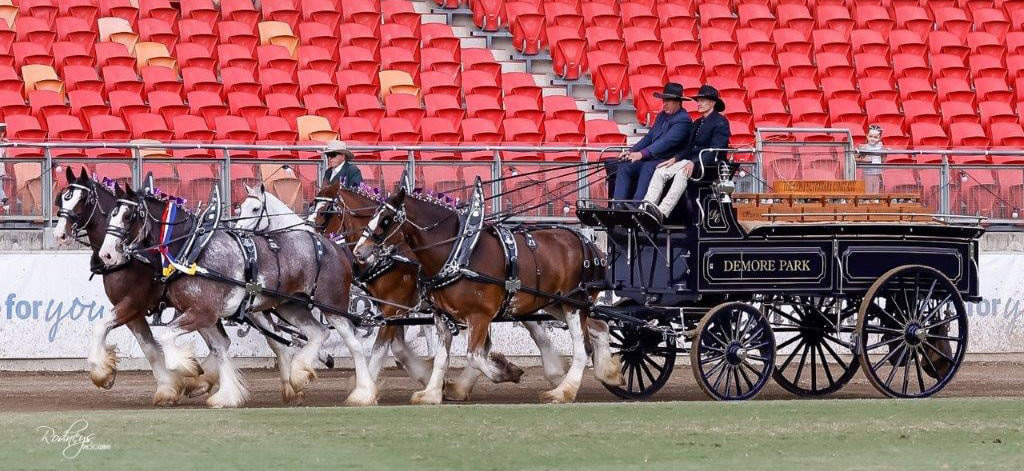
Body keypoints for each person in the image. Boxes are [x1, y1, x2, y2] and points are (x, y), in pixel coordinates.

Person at [642, 85, 731, 221]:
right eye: (698, 101)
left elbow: (715, 150)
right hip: (691, 161)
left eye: (702, 101)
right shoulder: (698, 122)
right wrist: (675, 158)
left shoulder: (721, 122)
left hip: (708, 164)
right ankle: (647, 207)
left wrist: (694, 162)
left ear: (712, 103)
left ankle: (662, 212)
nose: (699, 104)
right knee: (660, 170)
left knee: (681, 175)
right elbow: (689, 147)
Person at [612, 82, 692, 202]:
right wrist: (631, 151)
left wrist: (641, 154)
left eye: (668, 101)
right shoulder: (661, 116)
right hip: (653, 158)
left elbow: (666, 142)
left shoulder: (683, 120)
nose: (664, 104)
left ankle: (637, 206)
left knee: (647, 167)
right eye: (663, 101)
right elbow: (649, 138)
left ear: (678, 102)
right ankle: (617, 204)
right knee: (625, 166)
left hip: (669, 160)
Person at [857, 124, 885, 194]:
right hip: (867, 174)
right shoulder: (864, 147)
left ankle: (875, 203)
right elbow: (855, 158)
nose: (872, 138)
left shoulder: (880, 147)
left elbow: (883, 161)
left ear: (879, 138)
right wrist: (864, 160)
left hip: (877, 174)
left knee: (875, 194)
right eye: (870, 136)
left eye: (875, 137)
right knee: (868, 193)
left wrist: (886, 151)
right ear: (867, 136)